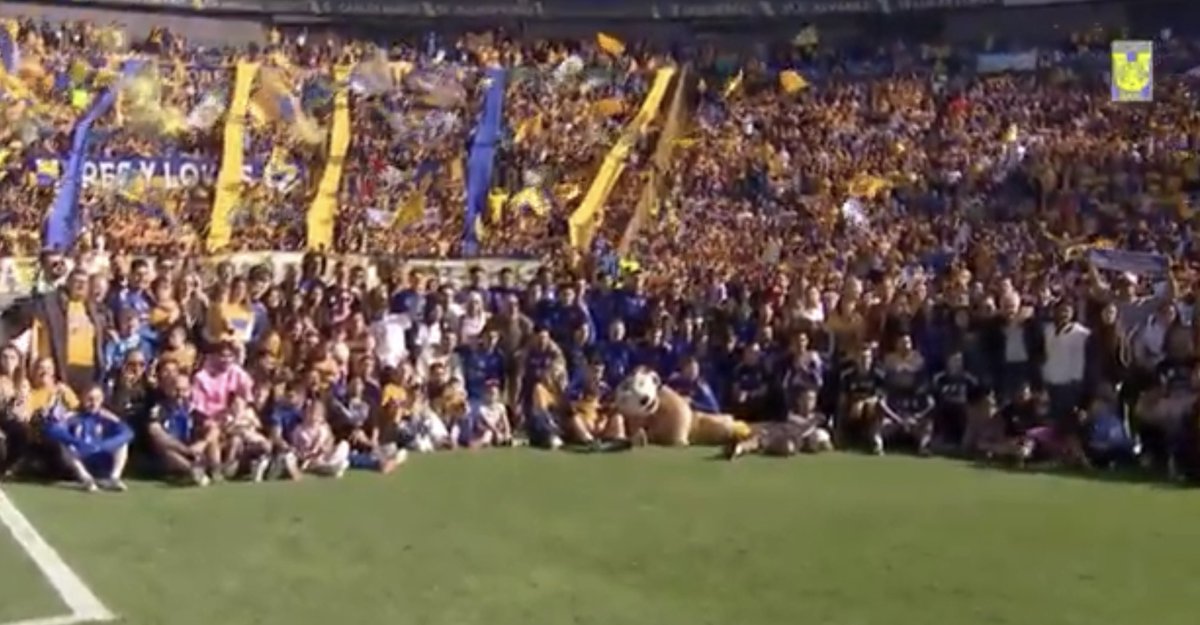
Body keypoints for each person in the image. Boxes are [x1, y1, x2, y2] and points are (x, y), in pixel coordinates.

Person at [44, 385, 134, 492]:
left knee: (123, 444)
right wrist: (77, 443)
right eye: (89, 399)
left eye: (97, 399)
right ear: (82, 398)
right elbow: (53, 430)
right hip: (81, 456)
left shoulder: (107, 416)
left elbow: (128, 433)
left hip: (101, 455)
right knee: (64, 445)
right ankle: (86, 479)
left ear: (102, 400)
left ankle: (114, 478)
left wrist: (102, 446)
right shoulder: (73, 416)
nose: (93, 403)